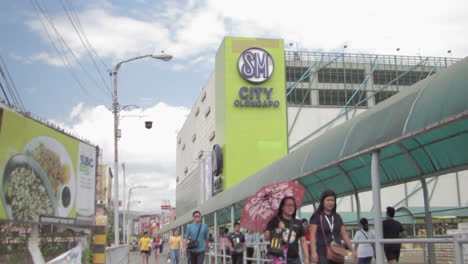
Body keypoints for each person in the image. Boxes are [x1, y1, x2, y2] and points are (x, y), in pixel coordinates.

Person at [309, 190, 357, 264]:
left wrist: (353, 250)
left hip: (337, 251)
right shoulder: (317, 216)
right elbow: (312, 236)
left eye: (332, 200)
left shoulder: (337, 217)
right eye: (328, 200)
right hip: (322, 252)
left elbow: (344, 235)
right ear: (323, 202)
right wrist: (313, 252)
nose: (330, 202)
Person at [265, 196, 309, 264]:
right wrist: (279, 229)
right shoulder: (274, 221)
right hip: (279, 258)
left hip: (295, 259)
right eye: (288, 205)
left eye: (293, 205)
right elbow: (266, 237)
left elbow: (303, 240)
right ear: (282, 207)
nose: (291, 207)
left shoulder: (298, 222)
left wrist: (306, 257)